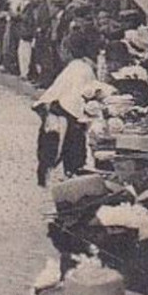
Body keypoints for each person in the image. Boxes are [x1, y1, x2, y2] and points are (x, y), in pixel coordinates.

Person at [34, 31, 104, 185]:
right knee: (74, 149)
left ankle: (69, 177)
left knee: (67, 147)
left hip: (69, 113)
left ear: (68, 50)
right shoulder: (84, 67)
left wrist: (45, 103)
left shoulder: (76, 68)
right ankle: (71, 174)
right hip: (76, 112)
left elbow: (61, 91)